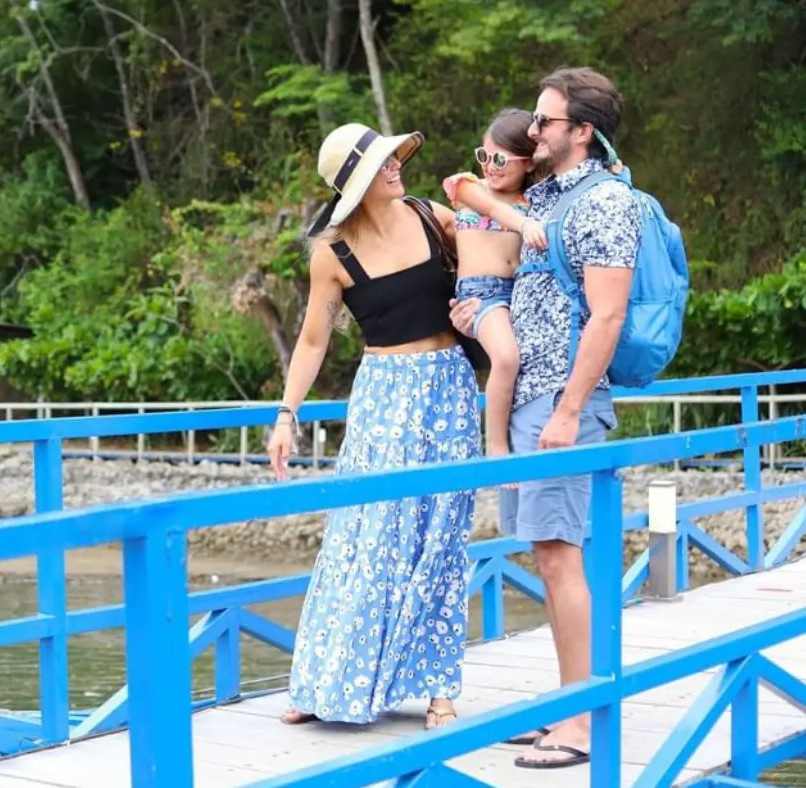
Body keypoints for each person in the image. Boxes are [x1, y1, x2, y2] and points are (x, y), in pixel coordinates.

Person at [449, 67, 640, 770]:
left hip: (561, 402)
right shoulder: (551, 198)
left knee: (560, 558)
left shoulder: (607, 203)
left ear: (582, 131)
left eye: (544, 122)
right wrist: (475, 318)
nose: (532, 132)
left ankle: (581, 727)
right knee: (547, 553)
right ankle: (565, 709)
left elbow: (608, 313)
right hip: (529, 394)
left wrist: (565, 412)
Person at [267, 121, 482, 732]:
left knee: (440, 534)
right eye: (381, 164)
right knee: (366, 535)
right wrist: (286, 416)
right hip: (384, 397)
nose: (396, 166)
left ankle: (438, 685)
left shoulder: (428, 214)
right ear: (355, 185)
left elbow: (489, 261)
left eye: (392, 158)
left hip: (449, 390)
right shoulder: (330, 254)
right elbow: (312, 341)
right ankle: (322, 679)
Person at [441, 108, 548, 468]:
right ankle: (497, 447)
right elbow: (491, 208)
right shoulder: (469, 188)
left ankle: (526, 432)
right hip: (481, 294)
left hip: (520, 294)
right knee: (506, 357)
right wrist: (524, 224)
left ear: (529, 163)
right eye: (484, 154)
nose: (490, 164)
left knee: (527, 364)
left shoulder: (536, 201)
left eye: (501, 158)